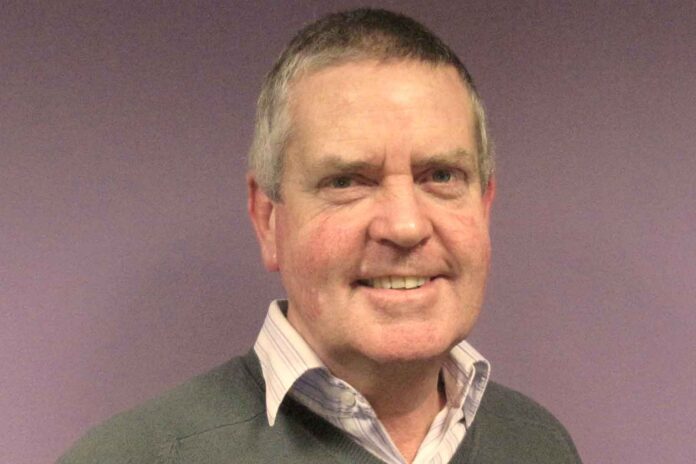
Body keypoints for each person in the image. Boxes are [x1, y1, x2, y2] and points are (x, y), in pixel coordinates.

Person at [60, 8, 582, 464]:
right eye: (347, 181)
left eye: (441, 176)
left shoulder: (537, 444)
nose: (405, 226)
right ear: (268, 220)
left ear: (484, 206)